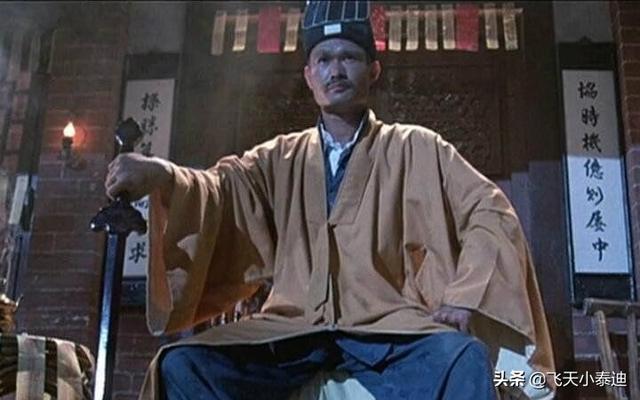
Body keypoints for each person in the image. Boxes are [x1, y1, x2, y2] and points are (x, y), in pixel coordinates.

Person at [106, 1, 555, 399]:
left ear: (373, 70)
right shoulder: (279, 157)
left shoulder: (416, 148)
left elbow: (489, 210)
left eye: (348, 57)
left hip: (389, 327)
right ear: (308, 76)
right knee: (180, 366)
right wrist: (163, 175)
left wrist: (465, 295)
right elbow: (219, 189)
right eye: (323, 59)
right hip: (293, 327)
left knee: (463, 359)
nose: (335, 70)